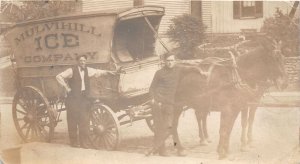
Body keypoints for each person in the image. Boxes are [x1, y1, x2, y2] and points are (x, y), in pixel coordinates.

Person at [149, 53, 205, 156]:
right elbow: (152, 87)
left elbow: (191, 68)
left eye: (172, 61)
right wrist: (153, 99)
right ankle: (161, 150)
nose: (170, 63)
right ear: (164, 62)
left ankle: (157, 147)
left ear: (175, 61)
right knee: (160, 126)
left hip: (169, 103)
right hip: (158, 103)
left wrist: (201, 71)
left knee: (169, 126)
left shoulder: (178, 70)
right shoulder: (159, 73)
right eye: (168, 61)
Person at [56, 55, 115, 148]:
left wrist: (110, 72)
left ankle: (84, 143)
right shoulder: (71, 70)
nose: (82, 62)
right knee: (72, 121)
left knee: (84, 121)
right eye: (80, 60)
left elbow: (98, 72)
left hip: (84, 98)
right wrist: (66, 88)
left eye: (84, 61)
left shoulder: (88, 70)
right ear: (77, 62)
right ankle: (74, 142)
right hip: (73, 99)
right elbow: (58, 76)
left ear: (86, 62)